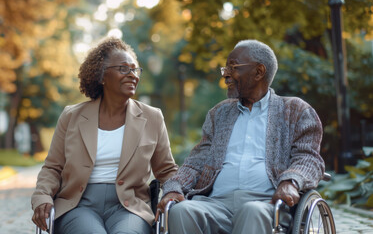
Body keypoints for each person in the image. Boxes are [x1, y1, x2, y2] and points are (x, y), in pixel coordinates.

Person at [157, 39, 325, 233]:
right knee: (182, 211)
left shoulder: (295, 110)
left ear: (259, 72)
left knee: (251, 211)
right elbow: (196, 163)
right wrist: (173, 186)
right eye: (225, 69)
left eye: (233, 67)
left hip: (266, 204)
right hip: (215, 204)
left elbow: (309, 158)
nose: (226, 75)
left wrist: (291, 181)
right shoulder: (218, 114)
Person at [31, 36, 178, 234]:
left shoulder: (153, 117)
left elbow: (167, 170)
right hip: (78, 205)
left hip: (129, 208)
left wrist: (173, 191)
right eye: (123, 69)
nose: (132, 75)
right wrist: (42, 196)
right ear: (101, 77)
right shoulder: (72, 116)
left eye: (135, 69)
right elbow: (52, 167)